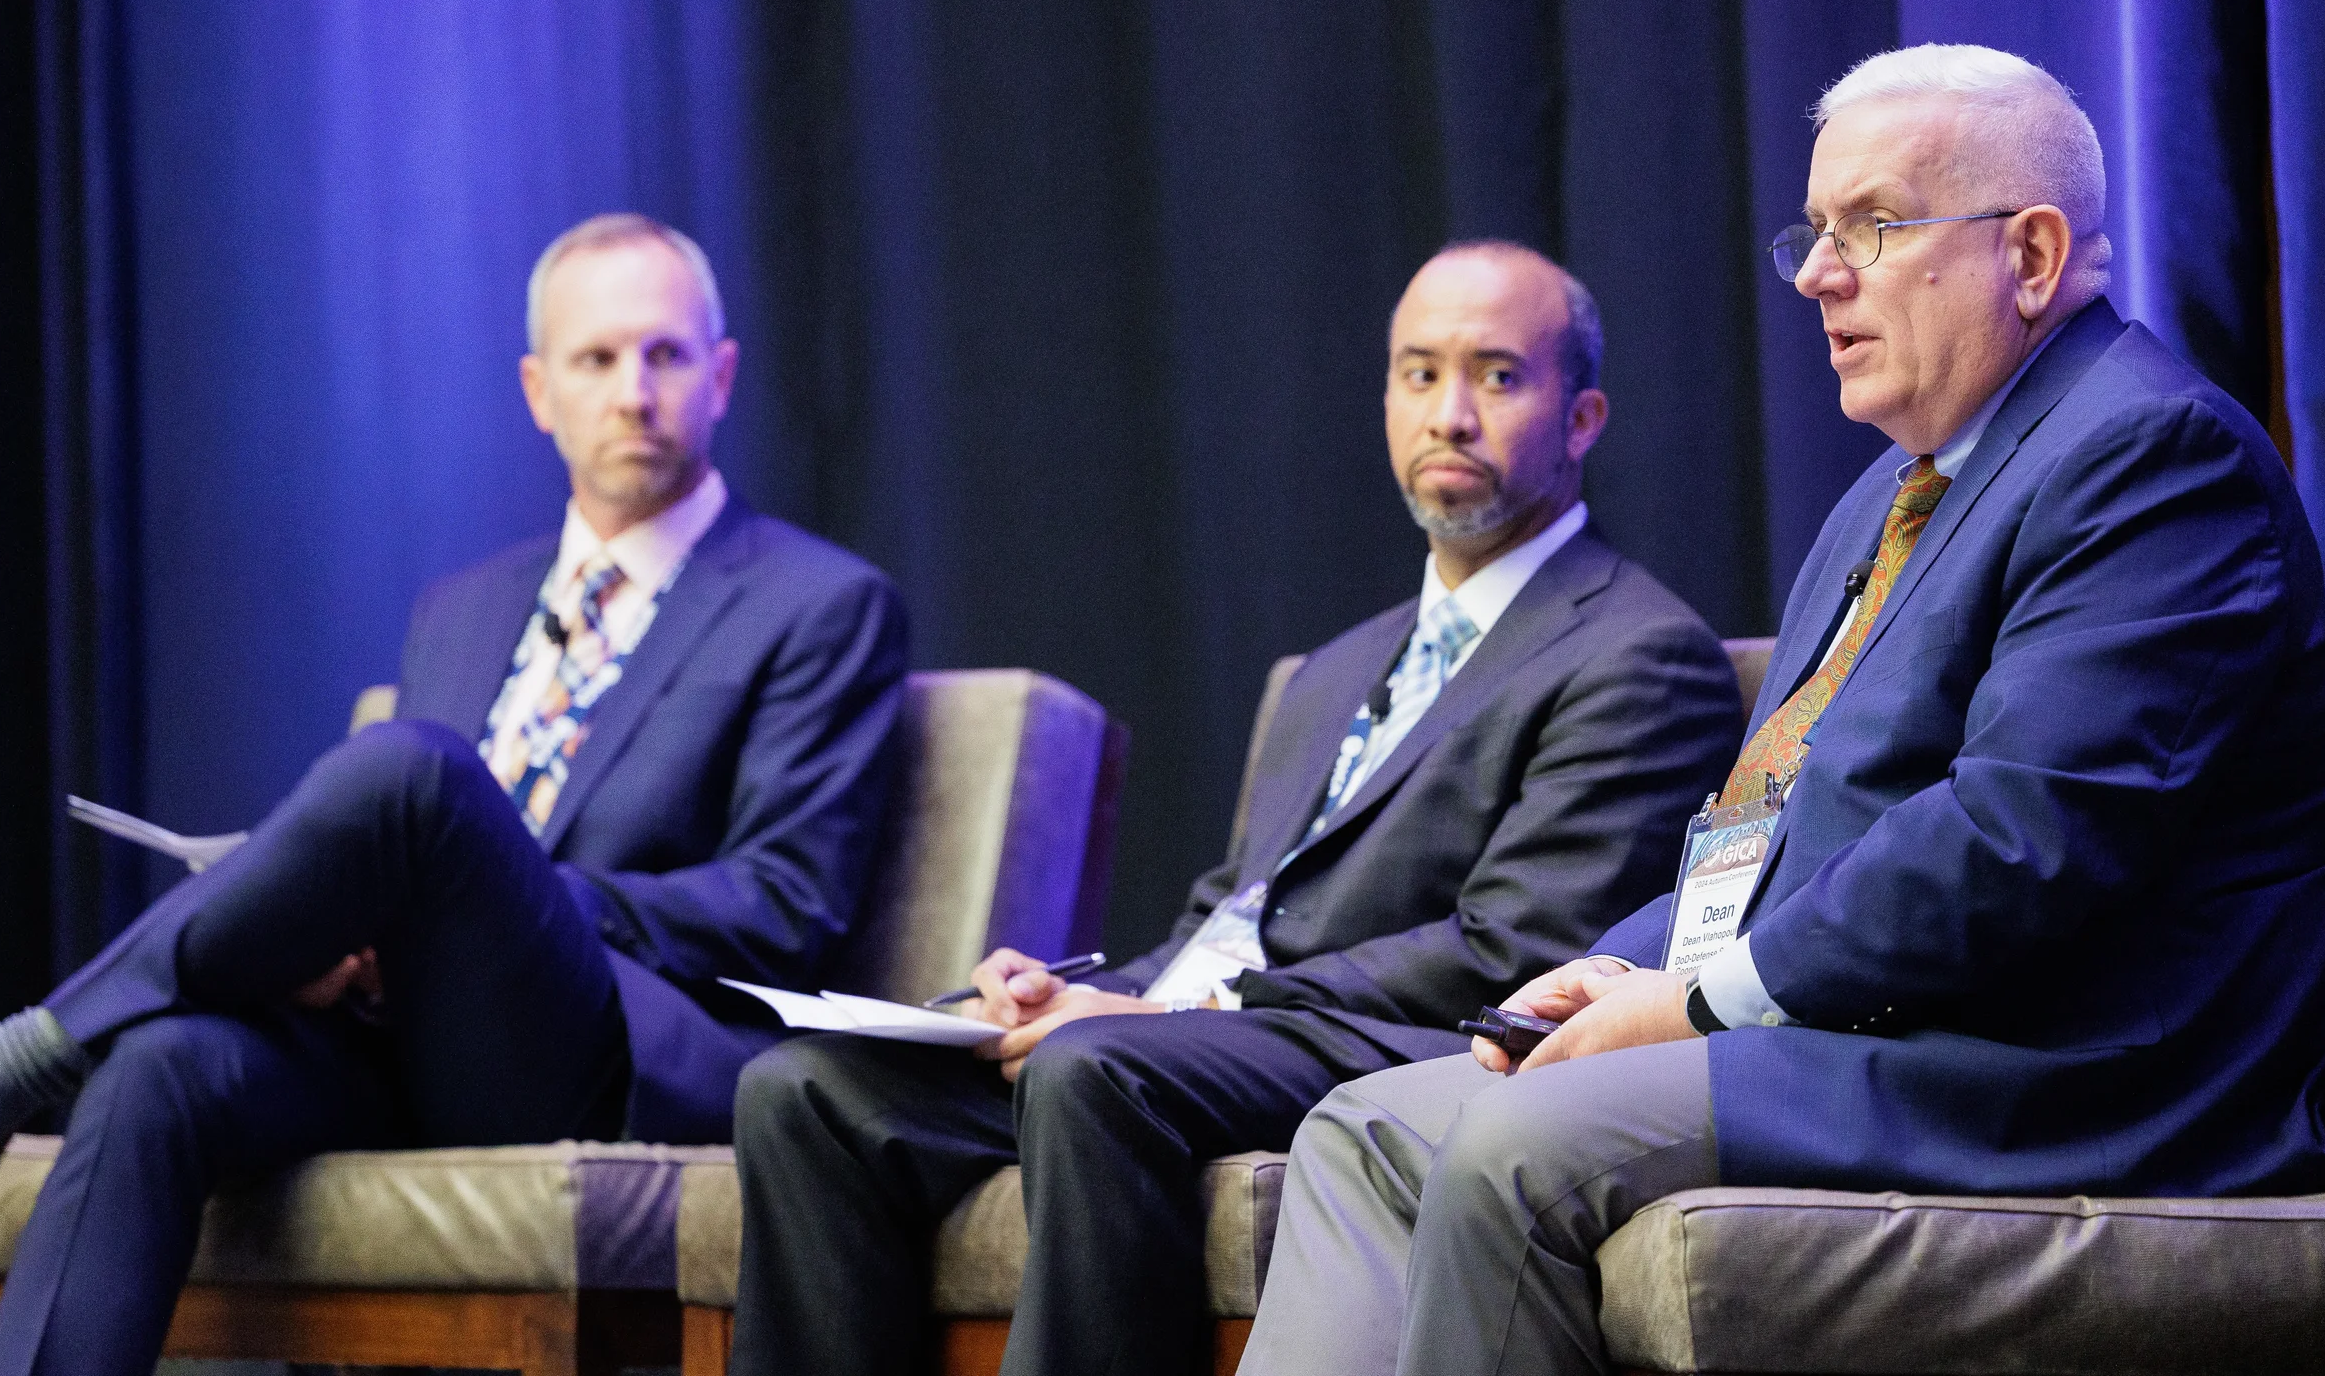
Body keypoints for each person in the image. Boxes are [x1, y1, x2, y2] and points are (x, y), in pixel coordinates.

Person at [1239, 44, 2325, 1376]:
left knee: (1515, 1144)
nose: (1819, 274)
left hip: (2056, 1062)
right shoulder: (1887, 490)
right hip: (1866, 1025)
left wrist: (1701, 1002)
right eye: (1812, 233)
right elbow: (1768, 809)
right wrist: (1634, 960)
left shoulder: (2156, 458)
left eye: (1870, 225)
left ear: (2033, 254)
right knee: (1365, 1125)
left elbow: (2019, 839)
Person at [0, 214, 908, 1376]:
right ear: (538, 390)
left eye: (667, 355)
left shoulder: (820, 603)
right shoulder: (464, 604)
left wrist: (478, 894)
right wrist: (351, 925)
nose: (634, 391)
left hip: (603, 1046)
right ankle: (50, 1083)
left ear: (723, 374)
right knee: (160, 1069)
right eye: (597, 360)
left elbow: (785, 903)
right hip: (393, 1035)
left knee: (418, 773)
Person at [728, 242, 1746, 1376]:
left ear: (1584, 414)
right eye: (1418, 373)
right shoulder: (1335, 667)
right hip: (1216, 1032)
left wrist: (1150, 1021)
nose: (1448, 412)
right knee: (807, 1086)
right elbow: (1234, 913)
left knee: (1094, 1066)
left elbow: (1506, 951)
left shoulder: (1637, 651)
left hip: (1403, 1047)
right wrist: (1086, 987)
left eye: (1497, 376)